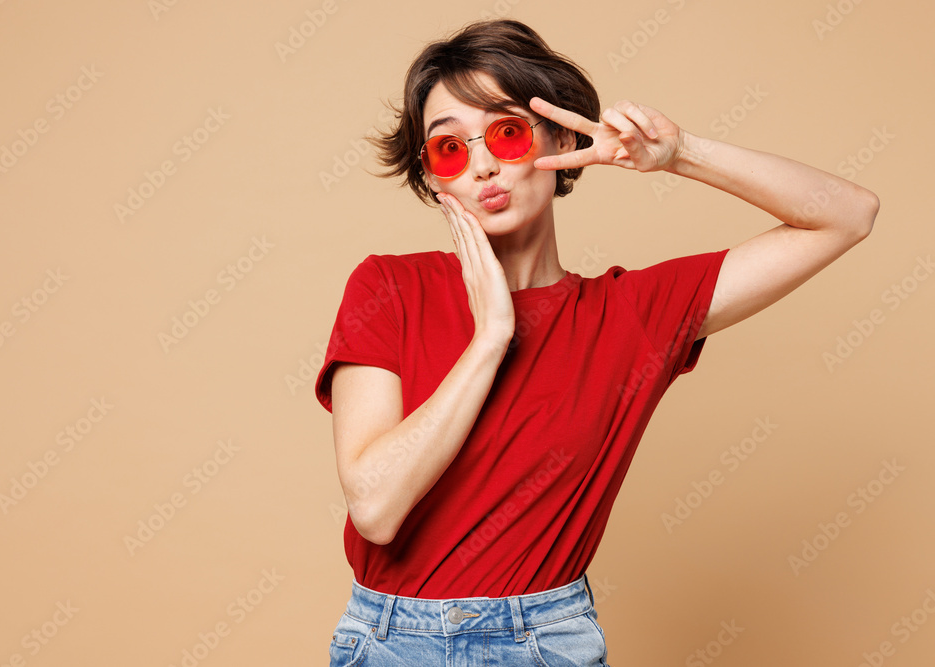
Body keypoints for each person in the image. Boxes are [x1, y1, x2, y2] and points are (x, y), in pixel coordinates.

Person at [314, 18, 879, 666]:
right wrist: (490, 337)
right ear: (432, 177)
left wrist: (679, 154)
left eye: (506, 132)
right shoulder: (388, 287)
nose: (484, 164)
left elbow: (847, 214)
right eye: (449, 148)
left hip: (545, 642)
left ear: (557, 137)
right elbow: (377, 508)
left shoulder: (631, 316)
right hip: (390, 642)